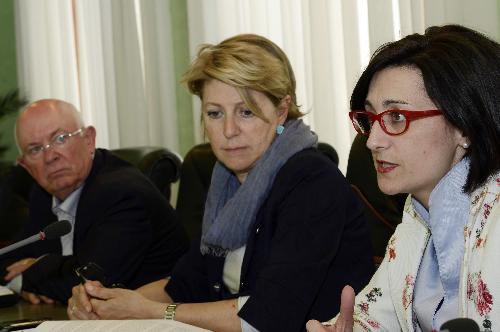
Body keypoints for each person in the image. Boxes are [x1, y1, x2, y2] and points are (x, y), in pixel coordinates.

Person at [68, 34, 374, 331]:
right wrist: (105, 302)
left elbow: (267, 316)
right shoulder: (225, 181)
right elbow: (184, 284)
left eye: (246, 112)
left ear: (281, 111)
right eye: (215, 113)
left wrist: (150, 311)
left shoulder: (311, 181)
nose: (229, 130)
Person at [307, 24, 500, 332]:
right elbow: (372, 317)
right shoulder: (417, 214)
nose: (372, 142)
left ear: (464, 126)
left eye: (397, 117)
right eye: (370, 119)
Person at [0, 99, 189, 304]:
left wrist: (28, 276)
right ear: (26, 166)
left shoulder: (123, 193)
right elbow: (8, 260)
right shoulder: (43, 194)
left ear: (89, 140)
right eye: (35, 149)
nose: (49, 157)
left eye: (60, 138)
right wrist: (31, 276)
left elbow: (90, 285)